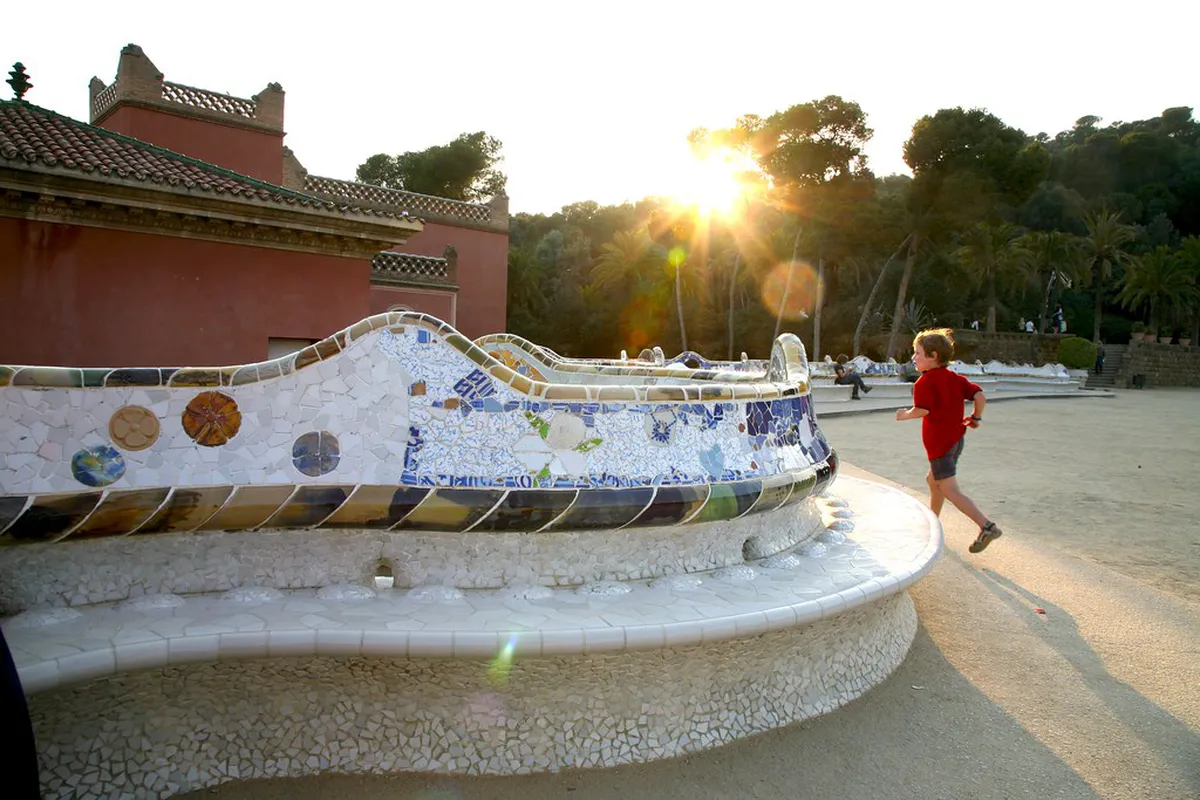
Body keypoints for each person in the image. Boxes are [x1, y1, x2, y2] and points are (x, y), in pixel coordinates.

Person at [895, 328, 1002, 553]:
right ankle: (932, 522)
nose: (914, 357)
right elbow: (979, 396)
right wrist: (976, 417)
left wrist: (903, 414)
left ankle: (987, 526)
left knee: (950, 489)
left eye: (918, 353)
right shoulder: (955, 378)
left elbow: (921, 411)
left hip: (940, 445)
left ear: (933, 356)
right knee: (933, 481)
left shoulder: (923, 383)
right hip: (955, 441)